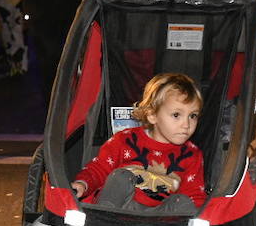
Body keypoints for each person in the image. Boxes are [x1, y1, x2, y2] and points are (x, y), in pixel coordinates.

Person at [71, 72, 206, 216]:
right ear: (152, 115)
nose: (186, 124)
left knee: (183, 201)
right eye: (176, 115)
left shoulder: (192, 154)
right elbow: (99, 169)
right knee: (121, 176)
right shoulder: (125, 139)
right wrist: (83, 184)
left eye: (193, 116)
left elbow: (194, 195)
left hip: (159, 218)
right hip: (118, 208)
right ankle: (102, 220)